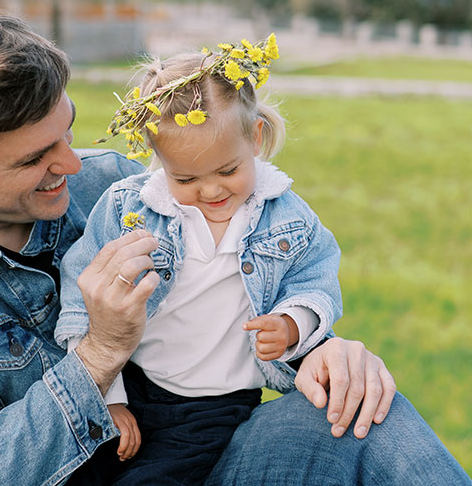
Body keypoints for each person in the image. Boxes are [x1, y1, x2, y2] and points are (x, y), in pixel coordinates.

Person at [0, 5, 472, 486]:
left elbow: (234, 292)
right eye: (36, 157)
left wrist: (323, 347)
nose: (73, 162)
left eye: (66, 129)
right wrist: (99, 356)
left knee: (362, 413)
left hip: (202, 450)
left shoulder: (121, 188)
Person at [54, 37, 344, 484]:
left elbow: (315, 279)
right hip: (134, 386)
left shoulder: (286, 216)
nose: (211, 192)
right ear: (159, 158)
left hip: (217, 406)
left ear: (256, 137)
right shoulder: (128, 209)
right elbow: (85, 298)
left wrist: (291, 325)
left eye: (228, 171)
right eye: (185, 178)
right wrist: (107, 397)